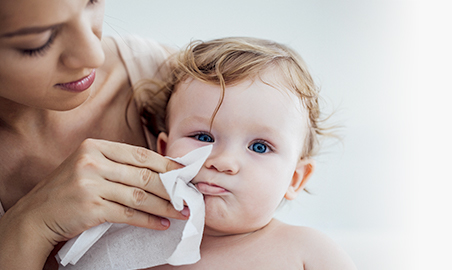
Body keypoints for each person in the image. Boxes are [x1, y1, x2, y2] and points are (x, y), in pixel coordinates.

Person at [0, 0, 189, 269]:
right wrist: (30, 224)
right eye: (38, 42)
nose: (94, 56)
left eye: (91, 2)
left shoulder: (166, 78)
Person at [140, 37, 357, 269]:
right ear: (163, 152)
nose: (223, 162)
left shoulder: (309, 252)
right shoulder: (137, 247)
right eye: (203, 137)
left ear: (295, 178)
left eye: (259, 147)